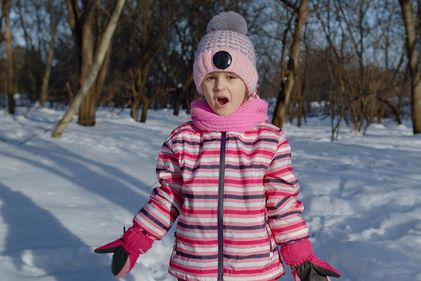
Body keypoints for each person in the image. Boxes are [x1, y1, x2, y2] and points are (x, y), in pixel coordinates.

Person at [95, 11, 341, 281]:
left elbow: (282, 204)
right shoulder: (183, 140)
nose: (219, 86)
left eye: (231, 78)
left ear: (248, 85)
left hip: (254, 271)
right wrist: (135, 239)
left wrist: (301, 258)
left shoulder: (269, 141)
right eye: (210, 78)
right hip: (195, 269)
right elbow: (167, 199)